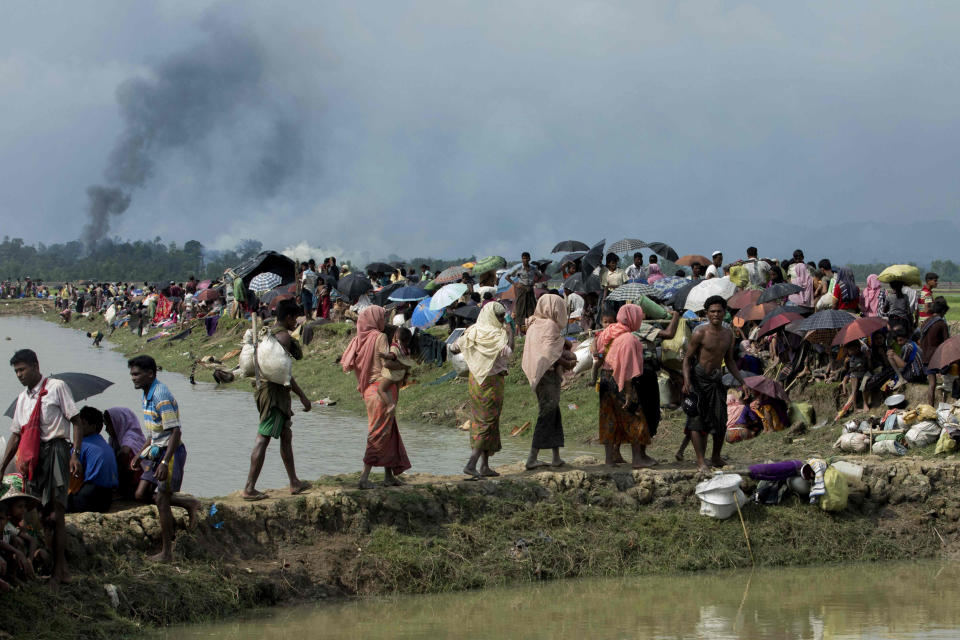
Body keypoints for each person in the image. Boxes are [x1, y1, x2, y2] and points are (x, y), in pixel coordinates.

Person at [0, 349, 79, 585]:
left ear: (35, 365)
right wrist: (3, 466)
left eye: (22, 369)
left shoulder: (56, 387)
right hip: (34, 456)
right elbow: (15, 436)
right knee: (39, 513)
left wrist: (75, 454)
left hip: (55, 449)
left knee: (57, 513)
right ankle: (45, 563)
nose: (19, 375)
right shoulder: (23, 399)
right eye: (16, 371)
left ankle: (61, 571)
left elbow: (75, 421)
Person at [128, 355, 200, 562]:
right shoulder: (146, 394)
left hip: (171, 451)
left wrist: (163, 462)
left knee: (161, 499)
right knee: (141, 494)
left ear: (150, 374)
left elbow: (175, 432)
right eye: (132, 374)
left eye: (137, 374)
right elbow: (153, 433)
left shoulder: (161, 396)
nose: (133, 378)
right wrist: (140, 453)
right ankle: (188, 503)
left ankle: (167, 552)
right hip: (158, 449)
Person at [242, 300, 312, 501]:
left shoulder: (268, 333)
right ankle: (249, 488)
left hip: (268, 390)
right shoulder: (283, 338)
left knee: (285, 434)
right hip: (274, 394)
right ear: (289, 317)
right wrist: (303, 397)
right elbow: (285, 375)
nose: (296, 323)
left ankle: (294, 482)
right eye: (295, 319)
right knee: (263, 438)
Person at [342, 306, 411, 489]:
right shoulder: (379, 337)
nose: (385, 319)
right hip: (383, 390)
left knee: (388, 431)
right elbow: (387, 364)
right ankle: (364, 478)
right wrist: (405, 366)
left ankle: (388, 476)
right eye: (383, 316)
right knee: (378, 433)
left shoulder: (358, 340)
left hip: (369, 392)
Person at [682, 296, 746, 475]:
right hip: (698, 380)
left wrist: (743, 381)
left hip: (716, 380)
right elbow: (687, 359)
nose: (716, 314)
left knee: (720, 421)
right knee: (696, 421)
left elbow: (730, 361)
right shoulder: (699, 333)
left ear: (724, 313)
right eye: (712, 311)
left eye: (719, 311)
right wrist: (687, 381)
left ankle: (716, 456)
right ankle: (701, 461)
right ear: (706, 314)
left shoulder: (728, 335)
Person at [450, 302, 513, 478]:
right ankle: (471, 464)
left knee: (484, 421)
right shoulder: (499, 334)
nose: (502, 320)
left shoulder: (473, 331)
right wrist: (511, 333)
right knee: (487, 422)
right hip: (491, 382)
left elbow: (454, 348)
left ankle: (484, 466)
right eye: (500, 317)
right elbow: (509, 353)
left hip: (475, 381)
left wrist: (473, 352)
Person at [593, 304, 655, 468]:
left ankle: (609, 460)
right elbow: (626, 368)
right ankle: (637, 459)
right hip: (618, 380)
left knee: (608, 418)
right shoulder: (629, 339)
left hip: (605, 379)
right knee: (634, 417)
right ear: (633, 318)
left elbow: (598, 353)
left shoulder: (608, 331)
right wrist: (628, 391)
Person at [521, 294, 576, 469]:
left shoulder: (534, 324)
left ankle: (556, 457)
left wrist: (563, 343)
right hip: (547, 375)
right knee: (546, 415)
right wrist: (567, 363)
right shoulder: (549, 326)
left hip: (539, 373)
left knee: (553, 414)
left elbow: (549, 346)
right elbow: (549, 352)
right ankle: (532, 457)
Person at [66, 406, 117, 514]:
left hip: (91, 494)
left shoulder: (82, 444)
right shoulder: (103, 443)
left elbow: (69, 469)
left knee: (59, 504)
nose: (78, 427)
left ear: (93, 427)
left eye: (83, 424)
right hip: (108, 497)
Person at [103, 407, 145, 499]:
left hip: (138, 479)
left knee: (123, 457)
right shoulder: (115, 439)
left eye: (108, 425)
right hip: (128, 478)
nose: (106, 429)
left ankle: (121, 492)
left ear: (117, 423)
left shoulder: (131, 435)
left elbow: (125, 452)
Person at [376, 327, 415, 415]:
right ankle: (395, 403)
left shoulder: (395, 347)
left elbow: (392, 356)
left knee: (381, 389)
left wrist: (384, 355)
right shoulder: (407, 350)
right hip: (401, 375)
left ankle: (390, 405)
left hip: (392, 375)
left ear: (396, 338)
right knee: (396, 392)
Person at [919, 299, 950, 406]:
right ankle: (945, 404)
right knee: (948, 379)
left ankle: (930, 407)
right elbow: (946, 343)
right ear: (942, 311)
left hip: (925, 356)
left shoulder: (926, 322)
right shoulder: (941, 323)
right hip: (936, 357)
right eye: (944, 313)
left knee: (932, 384)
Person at [505, 252, 538, 331]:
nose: (525, 260)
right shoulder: (518, 268)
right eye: (524, 258)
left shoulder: (533, 268)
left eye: (527, 258)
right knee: (520, 308)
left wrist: (534, 282)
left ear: (529, 259)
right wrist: (515, 284)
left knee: (531, 308)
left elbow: (539, 276)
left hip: (530, 289)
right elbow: (507, 277)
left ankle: (531, 329)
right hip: (521, 289)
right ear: (522, 259)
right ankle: (519, 330)